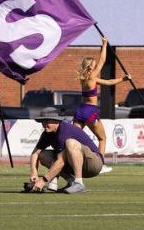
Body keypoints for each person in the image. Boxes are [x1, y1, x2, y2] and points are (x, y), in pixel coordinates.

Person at [73, 35, 130, 174]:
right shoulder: (92, 77)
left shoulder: (84, 79)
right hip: (90, 111)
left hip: (80, 110)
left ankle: (69, 164)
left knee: (73, 140)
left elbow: (109, 82)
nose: (95, 66)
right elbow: (103, 60)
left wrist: (122, 79)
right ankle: (100, 165)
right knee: (102, 138)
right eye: (93, 65)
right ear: (90, 68)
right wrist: (104, 44)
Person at [26, 107, 104, 194]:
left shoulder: (64, 131)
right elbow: (35, 153)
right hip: (76, 164)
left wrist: (43, 180)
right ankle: (71, 182)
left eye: (47, 121)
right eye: (43, 121)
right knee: (43, 155)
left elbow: (61, 162)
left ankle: (78, 183)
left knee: (70, 143)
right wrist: (34, 173)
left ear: (56, 121)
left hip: (94, 164)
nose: (44, 124)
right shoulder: (47, 133)